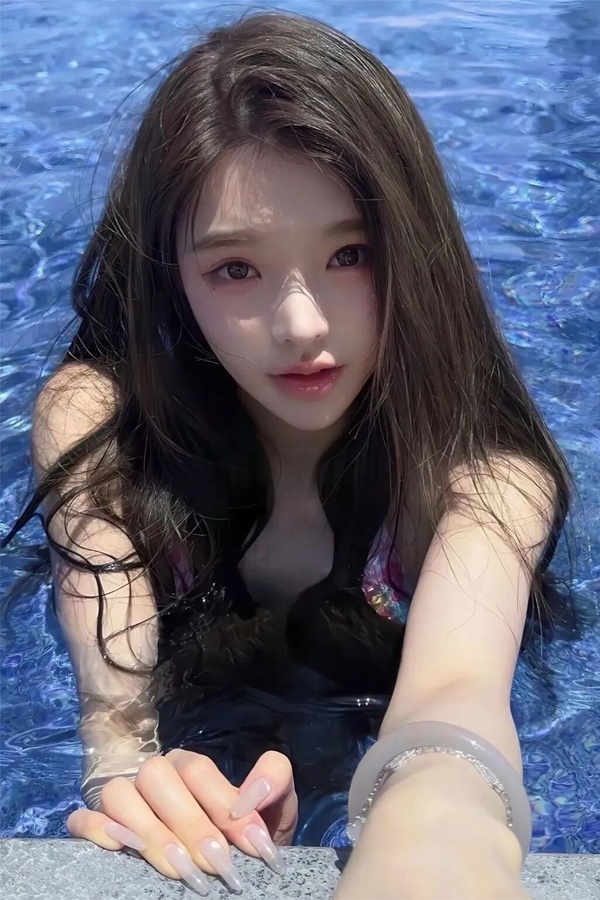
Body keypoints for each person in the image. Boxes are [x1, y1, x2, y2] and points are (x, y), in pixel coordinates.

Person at [3, 10, 573, 899]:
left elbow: (454, 702)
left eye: (351, 254)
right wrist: (131, 776)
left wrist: (439, 820)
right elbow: (114, 707)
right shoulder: (102, 428)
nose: (301, 324)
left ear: (414, 254)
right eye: (235, 269)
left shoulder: (482, 477)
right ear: (170, 280)